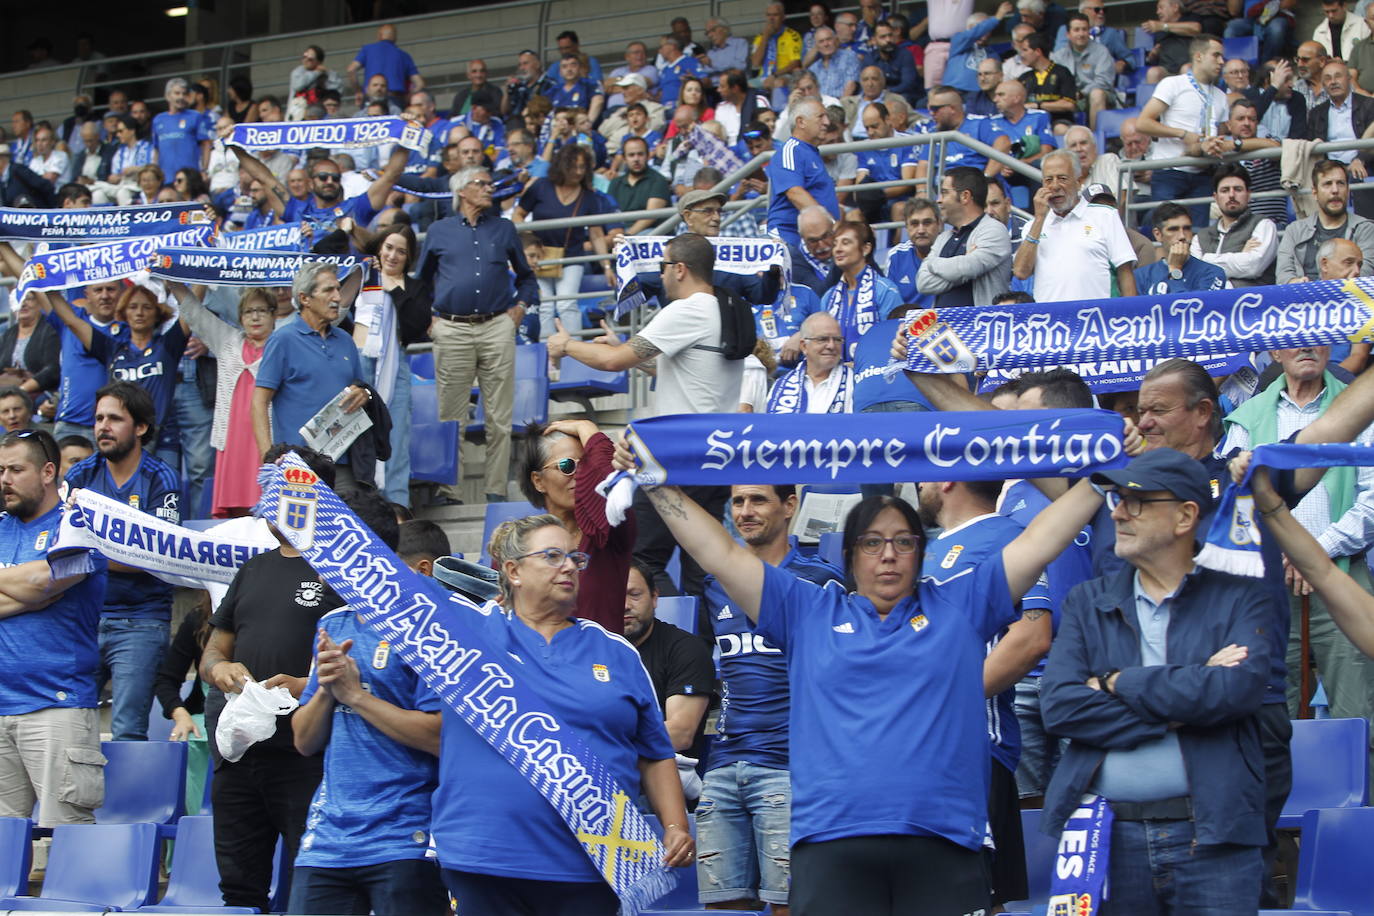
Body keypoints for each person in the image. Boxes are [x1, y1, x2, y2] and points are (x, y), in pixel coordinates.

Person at [616, 429, 1112, 915]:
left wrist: (1100, 478)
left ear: (922, 550)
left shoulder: (962, 604)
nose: (889, 555)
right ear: (850, 554)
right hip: (831, 845)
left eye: (903, 542)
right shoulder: (808, 610)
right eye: (872, 543)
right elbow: (718, 554)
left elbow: (1042, 540)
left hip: (943, 842)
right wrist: (659, 487)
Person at [1040, 448, 1271, 915]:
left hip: (1213, 838)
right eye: (1116, 499)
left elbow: (1233, 691)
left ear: (1186, 516)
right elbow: (1060, 706)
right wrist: (1177, 711)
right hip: (1106, 837)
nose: (1119, 512)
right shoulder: (1089, 600)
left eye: (1136, 500)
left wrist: (1114, 682)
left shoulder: (1242, 594)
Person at [435, 514, 692, 914]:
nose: (570, 565)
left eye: (575, 558)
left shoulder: (617, 653)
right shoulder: (462, 635)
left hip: (593, 864)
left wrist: (675, 826)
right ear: (514, 571)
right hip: (484, 859)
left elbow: (655, 752)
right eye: (553, 556)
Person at [547, 234, 739, 598]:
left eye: (664, 266)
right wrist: (622, 347)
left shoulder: (686, 310)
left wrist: (566, 346)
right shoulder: (722, 308)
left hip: (676, 456)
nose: (662, 275)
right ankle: (701, 644)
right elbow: (684, 371)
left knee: (641, 561)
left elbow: (610, 363)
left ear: (680, 269)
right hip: (714, 457)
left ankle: (670, 637)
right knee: (703, 564)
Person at [288, 487, 448, 916]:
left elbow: (439, 737)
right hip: (327, 842)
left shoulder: (426, 623)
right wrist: (326, 687)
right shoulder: (330, 623)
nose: (314, 553)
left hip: (403, 837)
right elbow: (304, 740)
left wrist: (356, 696)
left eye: (324, 540)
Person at [200, 445, 343, 913]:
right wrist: (220, 668)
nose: (272, 498)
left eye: (287, 488)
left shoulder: (342, 571)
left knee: (313, 886)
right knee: (239, 890)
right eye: (272, 488)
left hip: (305, 755)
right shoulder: (253, 569)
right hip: (239, 755)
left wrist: (307, 686)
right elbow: (213, 651)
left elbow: (363, 656)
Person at [697, 483, 841, 914]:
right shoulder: (715, 582)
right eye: (738, 501)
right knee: (723, 907)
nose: (745, 511)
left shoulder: (822, 579)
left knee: (790, 906)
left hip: (790, 766)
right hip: (722, 768)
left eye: (758, 500)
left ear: (789, 506)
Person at [917, 473, 1053, 910]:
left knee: (972, 898)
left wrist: (947, 702)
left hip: (972, 750)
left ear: (950, 479)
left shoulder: (1008, 537)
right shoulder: (924, 548)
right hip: (911, 753)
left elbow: (1032, 637)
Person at [1221, 343, 1374, 728]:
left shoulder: (1359, 411)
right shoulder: (1245, 417)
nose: (1306, 347)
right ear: (1273, 354)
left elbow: (1372, 503)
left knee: (1357, 707)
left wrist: (1315, 552)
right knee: (1272, 703)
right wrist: (1280, 555)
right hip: (1267, 577)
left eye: (1316, 337)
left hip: (1339, 567)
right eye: (1294, 339)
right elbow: (1233, 502)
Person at [64, 382, 182, 742]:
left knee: (128, 731)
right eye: (99, 418)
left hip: (140, 621)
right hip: (82, 618)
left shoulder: (161, 478)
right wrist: (119, 553)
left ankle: (127, 802)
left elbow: (160, 556)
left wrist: (92, 553)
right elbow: (64, 547)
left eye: (115, 418)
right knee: (66, 728)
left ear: (141, 427)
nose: (103, 426)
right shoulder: (79, 476)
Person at [421, 165, 537, 503]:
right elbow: (422, 281)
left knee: (499, 417)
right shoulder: (439, 231)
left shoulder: (504, 229)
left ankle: (495, 489)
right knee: (450, 416)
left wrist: (519, 309)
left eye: (489, 184)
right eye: (481, 184)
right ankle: (450, 489)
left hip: (497, 325)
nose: (489, 188)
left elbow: (527, 277)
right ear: (462, 191)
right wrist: (430, 318)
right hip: (452, 328)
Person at [44, 283, 189, 467]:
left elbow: (192, 312)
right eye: (133, 307)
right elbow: (72, 321)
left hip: (159, 433)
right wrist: (46, 284)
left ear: (158, 314)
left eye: (147, 307)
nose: (139, 313)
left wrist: (192, 272)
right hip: (122, 434)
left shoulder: (168, 345)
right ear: (123, 313)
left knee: (162, 489)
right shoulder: (111, 348)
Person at [252, 264, 369, 486]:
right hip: (298, 466)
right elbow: (259, 402)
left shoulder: (345, 340)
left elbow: (362, 390)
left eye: (338, 289)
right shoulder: (282, 340)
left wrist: (365, 395)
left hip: (345, 463)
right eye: (328, 290)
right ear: (305, 298)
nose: (337, 296)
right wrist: (268, 458)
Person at [518, 420, 635, 632]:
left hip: (601, 663)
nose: (581, 476)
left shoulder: (607, 536)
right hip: (537, 663)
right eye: (567, 466)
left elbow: (611, 487)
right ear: (538, 481)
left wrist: (587, 428)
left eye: (585, 466)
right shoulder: (520, 544)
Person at [354, 224, 428, 506]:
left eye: (401, 251)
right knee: (359, 438)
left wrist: (388, 290)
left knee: (396, 441)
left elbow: (414, 327)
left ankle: (397, 508)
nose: (393, 255)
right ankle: (365, 506)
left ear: (409, 258)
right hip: (359, 364)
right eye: (388, 248)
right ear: (378, 248)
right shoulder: (362, 277)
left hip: (395, 367)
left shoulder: (416, 288)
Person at [514, 144, 615, 336]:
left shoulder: (589, 197)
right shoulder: (541, 186)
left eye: (582, 167)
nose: (578, 172)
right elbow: (518, 214)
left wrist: (607, 266)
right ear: (562, 165)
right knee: (543, 306)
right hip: (539, 257)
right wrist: (526, 242)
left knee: (567, 303)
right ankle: (547, 354)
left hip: (572, 257)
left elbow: (596, 233)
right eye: (573, 166)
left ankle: (575, 352)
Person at [1012, 150, 1138, 300]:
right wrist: (1039, 218)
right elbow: (1020, 272)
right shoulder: (1033, 226)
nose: (1055, 186)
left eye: (1062, 178)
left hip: (1096, 318)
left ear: (1078, 183)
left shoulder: (1105, 215)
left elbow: (1125, 271)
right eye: (1048, 180)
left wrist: (1130, 314)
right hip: (1051, 320)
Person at [624, 561, 715, 761]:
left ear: (655, 597)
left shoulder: (685, 649)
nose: (625, 605)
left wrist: (607, 745)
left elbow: (680, 734)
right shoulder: (594, 649)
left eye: (635, 594)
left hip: (663, 773)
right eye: (615, 596)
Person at [1135, 35, 1230, 225]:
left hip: (1203, 174)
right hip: (1170, 171)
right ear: (1199, 56)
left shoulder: (1221, 96)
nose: (1221, 62)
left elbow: (1221, 134)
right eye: (1216, 55)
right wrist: (1183, 134)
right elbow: (1143, 123)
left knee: (1197, 238)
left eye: (1222, 57)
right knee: (1166, 231)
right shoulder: (1173, 84)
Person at [918, 166, 1012, 307]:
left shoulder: (994, 230)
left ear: (965, 196)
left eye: (944, 193)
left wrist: (931, 263)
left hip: (979, 326)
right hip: (944, 328)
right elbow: (923, 283)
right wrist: (963, 267)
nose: (938, 200)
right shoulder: (943, 237)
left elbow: (968, 267)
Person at [1276, 159, 1374, 283]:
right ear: (1315, 192)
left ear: (1348, 190)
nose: (1335, 190)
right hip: (1303, 299)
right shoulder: (1295, 230)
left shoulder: (1365, 229)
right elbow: (1283, 276)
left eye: (1340, 183)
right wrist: (1294, 282)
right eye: (1327, 184)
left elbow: (1365, 276)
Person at [824, 220, 904, 361]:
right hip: (837, 377)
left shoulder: (885, 290)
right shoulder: (829, 297)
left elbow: (895, 340)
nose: (837, 249)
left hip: (875, 374)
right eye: (835, 244)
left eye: (846, 242)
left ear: (866, 249)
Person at [765, 98, 839, 248]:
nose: (827, 122)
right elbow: (794, 192)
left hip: (811, 238)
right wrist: (831, 224)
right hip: (789, 236)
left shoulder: (810, 152)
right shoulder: (791, 150)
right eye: (820, 117)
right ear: (801, 122)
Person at [1192, 162, 1279, 286]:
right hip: (1210, 304)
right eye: (1225, 190)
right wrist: (1241, 256)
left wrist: (1205, 259)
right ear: (1215, 197)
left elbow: (1253, 267)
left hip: (1251, 302)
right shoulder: (1201, 237)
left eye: (1238, 189)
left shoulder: (1263, 225)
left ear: (1248, 195)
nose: (1231, 195)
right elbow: (1194, 274)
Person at [1309, 60, 1374, 218]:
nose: (1333, 82)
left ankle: (1366, 230)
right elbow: (1312, 146)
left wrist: (1360, 159)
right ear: (1323, 84)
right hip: (1329, 169)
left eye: (1338, 76)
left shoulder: (1369, 105)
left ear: (1349, 79)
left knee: (1358, 177)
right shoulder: (1317, 113)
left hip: (1362, 165)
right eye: (1328, 78)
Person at [906, 85, 1009, 182]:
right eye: (929, 109)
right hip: (943, 191)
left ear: (952, 109)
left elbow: (1003, 143)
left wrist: (986, 178)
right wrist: (922, 191)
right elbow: (924, 165)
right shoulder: (933, 132)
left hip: (975, 186)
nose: (931, 113)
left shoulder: (979, 124)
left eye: (935, 109)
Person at [766, 312, 852, 413]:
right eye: (823, 339)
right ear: (804, 346)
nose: (831, 346)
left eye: (837, 340)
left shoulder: (854, 381)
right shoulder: (780, 385)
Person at [1134, 201, 1228, 294]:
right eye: (1173, 229)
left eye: (1187, 228)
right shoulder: (1140, 276)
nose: (1182, 236)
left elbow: (1194, 307)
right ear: (1158, 234)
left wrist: (1175, 271)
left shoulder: (1213, 273)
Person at [1051, 11, 1115, 129]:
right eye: (1076, 30)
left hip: (1097, 97)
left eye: (1084, 29)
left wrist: (1082, 93)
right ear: (1068, 34)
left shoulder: (1101, 51)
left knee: (1097, 94)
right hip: (1069, 99)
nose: (1081, 34)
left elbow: (1104, 81)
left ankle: (1096, 138)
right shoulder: (1058, 56)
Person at [0, 289, 59, 410]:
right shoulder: (9, 333)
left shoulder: (50, 329)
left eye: (28, 298)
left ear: (39, 302)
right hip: (10, 391)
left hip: (41, 391)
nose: (23, 303)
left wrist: (20, 391)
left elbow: (52, 370)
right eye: (19, 300)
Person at [152, 78, 212, 183]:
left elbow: (206, 144)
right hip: (165, 178)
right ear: (167, 96)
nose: (181, 97)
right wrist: (154, 173)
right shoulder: (158, 119)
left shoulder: (195, 116)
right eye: (177, 93)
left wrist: (204, 170)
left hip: (190, 177)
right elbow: (156, 150)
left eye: (184, 94)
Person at [608, 137, 671, 235]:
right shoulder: (615, 183)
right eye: (631, 155)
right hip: (619, 232)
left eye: (640, 154)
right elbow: (609, 214)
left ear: (648, 156)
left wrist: (626, 237)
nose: (636, 159)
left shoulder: (658, 180)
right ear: (624, 158)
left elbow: (651, 216)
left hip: (650, 233)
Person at [349, 24, 423, 107]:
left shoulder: (367, 49)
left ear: (379, 35)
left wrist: (358, 92)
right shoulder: (404, 56)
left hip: (371, 99)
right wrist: (409, 96)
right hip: (395, 99)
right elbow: (419, 84)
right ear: (395, 38)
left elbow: (351, 69)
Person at [752, 2, 805, 104]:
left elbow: (795, 63)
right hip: (762, 77)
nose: (771, 19)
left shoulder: (792, 35)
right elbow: (755, 63)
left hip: (784, 75)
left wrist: (774, 75)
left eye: (775, 15)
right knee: (744, 86)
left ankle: (778, 113)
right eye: (769, 15)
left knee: (778, 82)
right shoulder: (759, 38)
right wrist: (765, 37)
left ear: (783, 17)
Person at [860, 20, 920, 103]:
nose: (888, 40)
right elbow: (865, 82)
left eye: (890, 35)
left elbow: (908, 84)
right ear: (874, 40)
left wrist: (885, 93)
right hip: (877, 95)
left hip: (902, 95)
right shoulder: (869, 58)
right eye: (883, 37)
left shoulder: (905, 55)